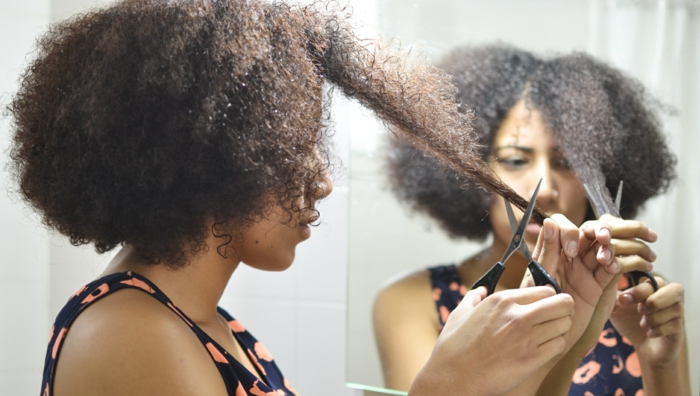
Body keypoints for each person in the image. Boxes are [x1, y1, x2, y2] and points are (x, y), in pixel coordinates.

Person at [7, 2, 621, 395]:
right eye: (294, 148)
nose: (322, 180)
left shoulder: (205, 325)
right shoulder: (128, 334)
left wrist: (570, 336)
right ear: (212, 159)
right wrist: (445, 386)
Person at [376, 44, 690, 395]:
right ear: (471, 174)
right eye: (515, 160)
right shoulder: (412, 300)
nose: (544, 190)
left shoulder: (639, 300)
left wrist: (660, 364)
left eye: (567, 163)